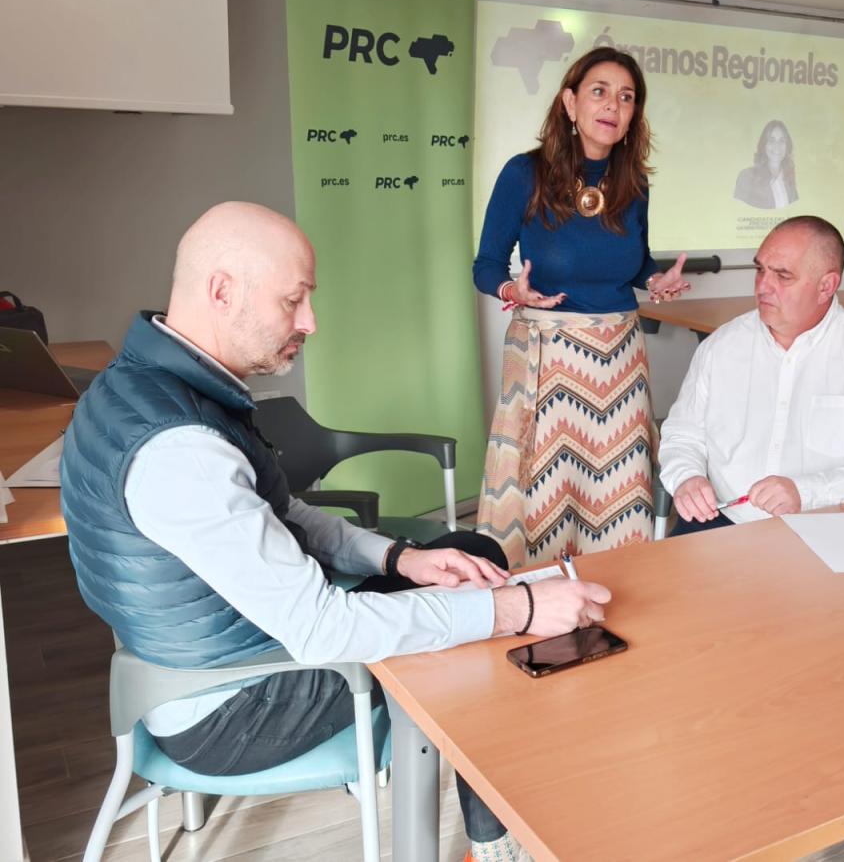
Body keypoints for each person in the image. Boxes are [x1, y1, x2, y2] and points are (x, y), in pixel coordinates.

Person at [60, 202, 610, 862]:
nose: (310, 322)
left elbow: (282, 511)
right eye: (294, 300)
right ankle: (501, 848)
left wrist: (403, 557)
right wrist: (515, 608)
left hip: (206, 652)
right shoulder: (181, 448)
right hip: (226, 706)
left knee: (472, 553)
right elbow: (324, 629)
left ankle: (497, 824)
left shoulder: (148, 384)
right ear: (221, 291)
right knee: (481, 642)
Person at [473, 47, 689, 569]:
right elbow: (485, 266)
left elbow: (633, 263)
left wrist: (656, 279)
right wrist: (512, 292)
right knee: (544, 498)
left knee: (619, 495)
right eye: (599, 91)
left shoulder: (633, 183)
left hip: (618, 361)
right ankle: (538, 604)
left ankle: (618, 594)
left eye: (626, 96)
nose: (613, 104)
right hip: (547, 359)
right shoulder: (524, 174)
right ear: (570, 102)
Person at [658, 216, 844, 533]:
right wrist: (687, 477)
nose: (763, 286)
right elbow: (683, 434)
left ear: (826, 286)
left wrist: (808, 492)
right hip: (720, 520)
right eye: (760, 269)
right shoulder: (722, 346)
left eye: (783, 276)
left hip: (824, 527)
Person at [733, 120, 799, 210]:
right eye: (771, 140)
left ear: (787, 146)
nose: (777, 145)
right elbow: (737, 212)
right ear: (764, 145)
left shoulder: (789, 179)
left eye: (782, 140)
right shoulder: (747, 177)